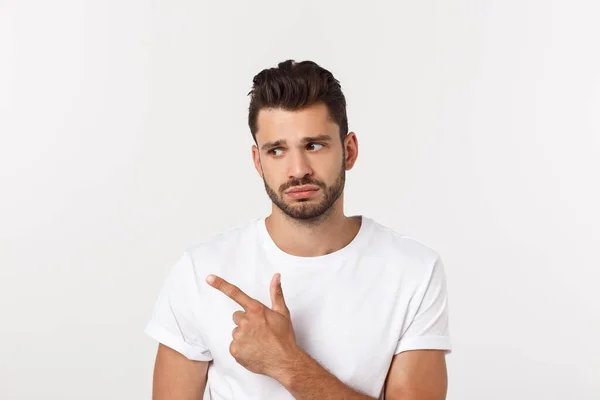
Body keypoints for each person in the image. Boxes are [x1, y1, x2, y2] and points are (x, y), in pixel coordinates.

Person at [144, 59, 452, 399]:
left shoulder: (413, 271)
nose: (298, 170)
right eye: (276, 150)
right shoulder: (200, 272)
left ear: (349, 151)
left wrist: (286, 363)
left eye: (314, 146)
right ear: (258, 161)